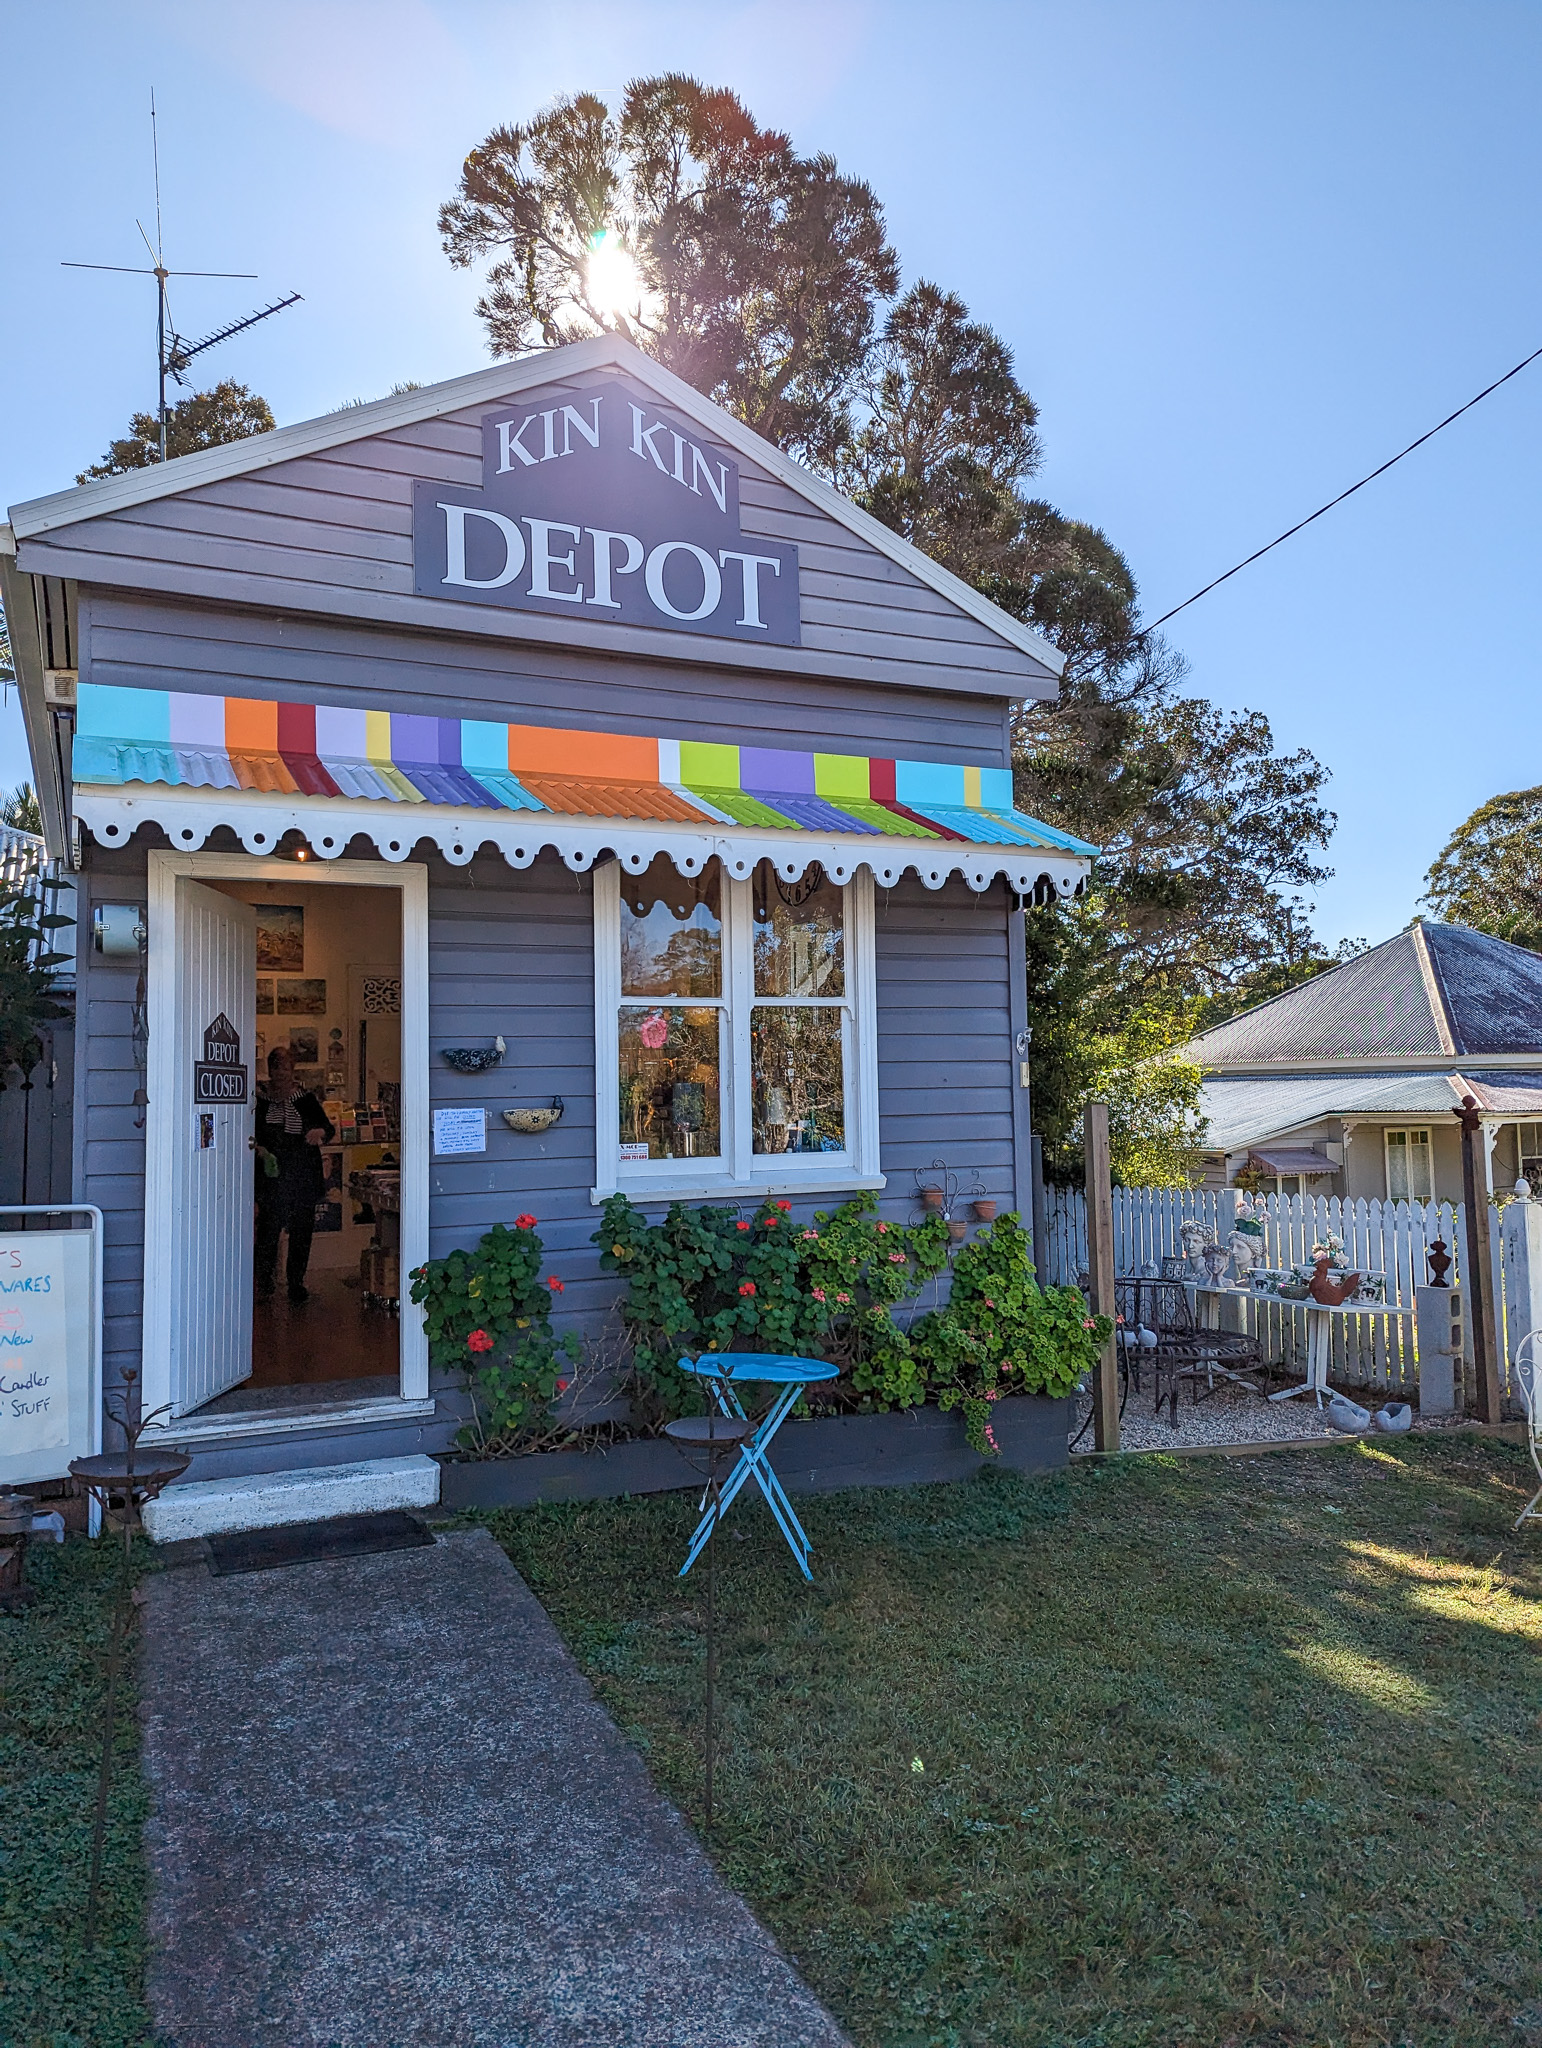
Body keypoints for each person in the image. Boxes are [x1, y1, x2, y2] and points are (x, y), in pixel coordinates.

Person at [254, 1046, 335, 1304]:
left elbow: (328, 1129)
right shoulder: (260, 1100)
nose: (280, 1073)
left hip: (302, 1174)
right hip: (273, 1174)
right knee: (269, 1229)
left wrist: (318, 1133)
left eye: (285, 1068)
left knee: (301, 1231)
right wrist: (259, 1148)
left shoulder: (306, 1100)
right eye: (275, 1067)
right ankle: (264, 1281)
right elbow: (251, 1133)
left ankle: (296, 1283)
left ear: (293, 1070)